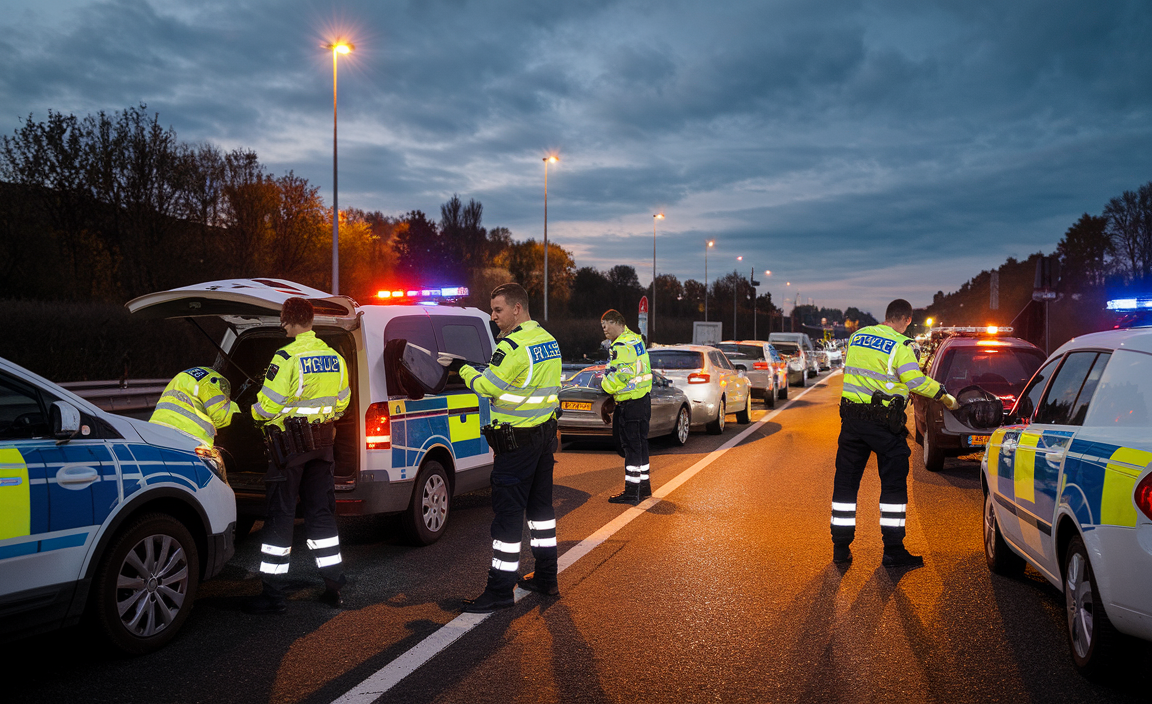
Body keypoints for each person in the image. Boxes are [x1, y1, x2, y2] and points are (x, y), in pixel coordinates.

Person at [455, 283, 561, 613]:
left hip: (516, 445)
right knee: (541, 513)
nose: (493, 316)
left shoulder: (512, 346)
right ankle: (546, 577)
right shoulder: (549, 341)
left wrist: (462, 368)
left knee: (508, 519)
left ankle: (500, 589)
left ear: (517, 309)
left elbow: (489, 386)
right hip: (543, 439)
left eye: (498, 310)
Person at [242, 297, 351, 614]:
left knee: (280, 516)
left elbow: (268, 407)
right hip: (322, 445)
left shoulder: (285, 357)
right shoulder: (334, 357)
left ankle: (273, 595)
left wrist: (251, 411)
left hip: (289, 448)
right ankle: (333, 586)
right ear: (312, 319)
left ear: (285, 319)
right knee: (320, 514)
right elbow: (342, 403)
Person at [831, 298, 959, 568]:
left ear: (886, 316)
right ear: (907, 320)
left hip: (852, 421)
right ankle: (893, 550)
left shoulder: (858, 336)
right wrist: (943, 395)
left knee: (845, 483)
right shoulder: (903, 346)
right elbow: (914, 381)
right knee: (893, 485)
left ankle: (840, 548)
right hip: (883, 425)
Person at [599, 309, 653, 505]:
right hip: (642, 400)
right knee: (641, 445)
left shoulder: (621, 346)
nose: (604, 329)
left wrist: (604, 385)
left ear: (617, 322)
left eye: (606, 324)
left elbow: (619, 378)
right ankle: (644, 487)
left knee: (631, 448)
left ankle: (631, 492)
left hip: (630, 403)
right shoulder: (636, 339)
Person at [149, 367, 239, 446]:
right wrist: (245, 415)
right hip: (189, 437)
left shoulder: (188, 375)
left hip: (154, 431)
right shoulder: (213, 382)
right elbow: (222, 417)